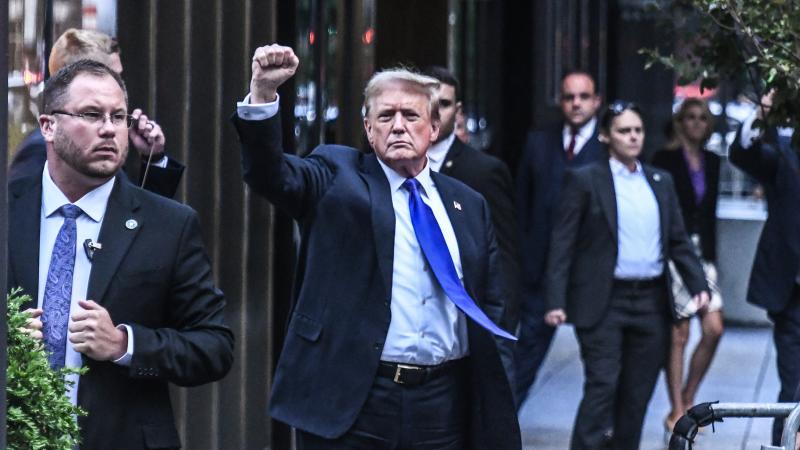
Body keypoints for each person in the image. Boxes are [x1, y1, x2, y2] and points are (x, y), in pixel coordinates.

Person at [231, 44, 520, 449]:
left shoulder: (468, 205)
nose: (398, 126)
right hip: (357, 398)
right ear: (368, 129)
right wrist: (262, 95)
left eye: (411, 115)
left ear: (434, 129)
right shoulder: (337, 175)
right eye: (385, 116)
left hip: (443, 402)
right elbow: (271, 175)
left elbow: (492, 307)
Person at [7, 59, 234, 449]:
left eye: (119, 117)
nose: (109, 129)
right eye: (92, 115)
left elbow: (214, 347)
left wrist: (125, 344)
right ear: (48, 126)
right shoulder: (9, 211)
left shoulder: (168, 225)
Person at [545, 101, 709, 450]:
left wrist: (698, 285)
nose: (633, 137)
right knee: (602, 386)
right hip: (604, 300)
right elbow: (563, 242)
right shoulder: (586, 179)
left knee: (637, 393)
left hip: (650, 301)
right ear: (605, 136)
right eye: (624, 131)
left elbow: (677, 240)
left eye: (638, 130)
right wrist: (555, 300)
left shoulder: (659, 181)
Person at [513, 70, 605, 408]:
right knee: (523, 360)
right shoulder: (539, 141)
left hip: (589, 276)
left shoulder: (608, 147)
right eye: (569, 97)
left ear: (597, 101)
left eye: (583, 96)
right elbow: (521, 207)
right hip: (539, 273)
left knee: (600, 368)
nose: (576, 103)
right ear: (560, 101)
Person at [9, 28, 184, 198]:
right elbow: (21, 211)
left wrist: (153, 159)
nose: (119, 86)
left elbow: (140, 218)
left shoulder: (106, 143)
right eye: (112, 76)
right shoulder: (41, 149)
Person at [422, 65, 520, 348]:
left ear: (458, 109)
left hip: (467, 323)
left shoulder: (484, 171)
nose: (437, 112)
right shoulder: (392, 164)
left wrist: (502, 328)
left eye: (445, 103)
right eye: (429, 103)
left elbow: (504, 256)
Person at [729, 91, 800, 446]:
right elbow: (743, 151)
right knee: (796, 388)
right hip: (794, 294)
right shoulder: (786, 154)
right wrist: (764, 108)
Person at [652, 98, 724, 433]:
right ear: (680, 121)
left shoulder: (712, 161)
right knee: (679, 333)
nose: (696, 123)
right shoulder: (663, 160)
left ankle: (689, 393)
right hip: (674, 251)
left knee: (713, 328)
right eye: (690, 117)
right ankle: (677, 410)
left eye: (702, 118)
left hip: (703, 253)